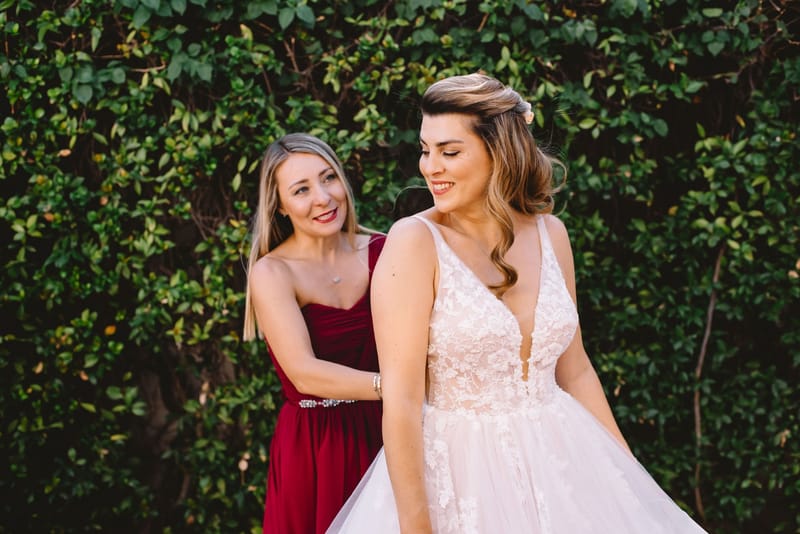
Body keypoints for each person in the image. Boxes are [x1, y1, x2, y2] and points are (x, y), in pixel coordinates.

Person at [327, 73, 707, 533]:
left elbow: (576, 370)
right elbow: (403, 401)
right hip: (461, 480)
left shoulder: (551, 233)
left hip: (565, 461)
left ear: (500, 151)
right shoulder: (414, 242)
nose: (430, 168)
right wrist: (416, 526)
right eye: (426, 150)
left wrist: (628, 478)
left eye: (449, 152)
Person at [243, 133, 385, 534]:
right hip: (315, 446)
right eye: (301, 189)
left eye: (328, 178)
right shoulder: (272, 273)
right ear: (280, 206)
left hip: (393, 431)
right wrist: (397, 386)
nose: (323, 197)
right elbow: (304, 373)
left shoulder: (385, 250)